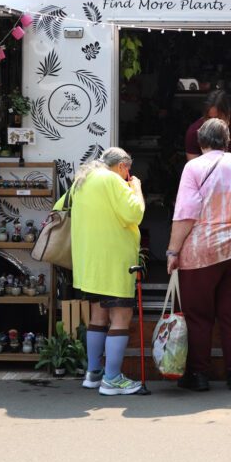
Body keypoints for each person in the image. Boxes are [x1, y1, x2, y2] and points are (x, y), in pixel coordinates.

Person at [168, 118, 231, 391]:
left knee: (199, 315)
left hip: (203, 250)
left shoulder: (194, 167)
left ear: (201, 141)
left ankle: (198, 376)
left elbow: (186, 214)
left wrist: (173, 251)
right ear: (228, 141)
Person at [54, 147, 145, 395]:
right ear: (123, 166)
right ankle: (112, 379)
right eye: (128, 170)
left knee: (98, 317)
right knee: (120, 318)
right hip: (114, 263)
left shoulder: (83, 179)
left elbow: (59, 208)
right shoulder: (113, 180)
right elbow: (134, 213)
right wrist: (135, 187)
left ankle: (93, 373)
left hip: (88, 264)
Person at [185, 89, 231, 160]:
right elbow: (193, 168)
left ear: (227, 114)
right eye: (209, 118)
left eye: (217, 118)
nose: (213, 122)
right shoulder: (194, 132)